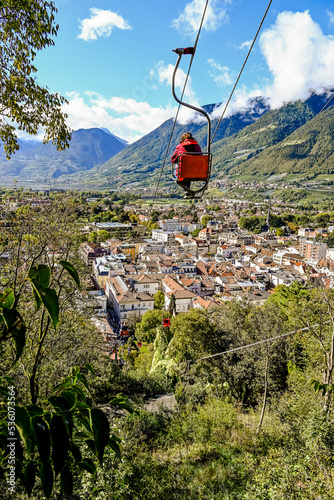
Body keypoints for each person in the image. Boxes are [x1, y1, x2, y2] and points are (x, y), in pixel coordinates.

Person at [171, 132, 202, 197]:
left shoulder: (179, 146)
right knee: (189, 171)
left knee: (181, 172)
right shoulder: (197, 146)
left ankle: (186, 189)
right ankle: (187, 190)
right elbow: (200, 156)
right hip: (196, 172)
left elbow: (173, 159)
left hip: (183, 171)